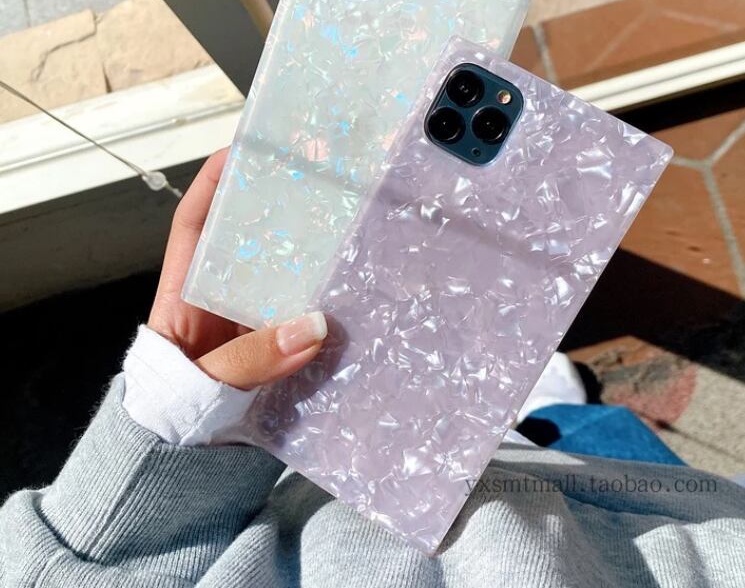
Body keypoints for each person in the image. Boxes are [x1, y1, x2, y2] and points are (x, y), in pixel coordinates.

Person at [1, 149, 743, 587]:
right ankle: (542, 416)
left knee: (562, 441)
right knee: (598, 439)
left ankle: (533, 418)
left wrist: (172, 421)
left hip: (334, 496)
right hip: (670, 534)